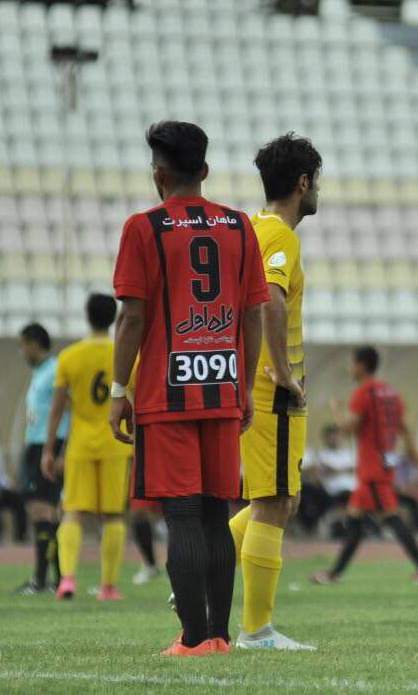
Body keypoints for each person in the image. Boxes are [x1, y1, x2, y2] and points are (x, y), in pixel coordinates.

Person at [110, 121, 269, 656]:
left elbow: (132, 317)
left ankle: (193, 638)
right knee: (216, 514)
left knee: (181, 515)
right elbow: (253, 315)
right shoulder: (239, 225)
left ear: (158, 173)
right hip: (223, 384)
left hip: (167, 391)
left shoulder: (143, 228)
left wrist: (118, 389)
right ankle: (219, 636)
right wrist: (244, 388)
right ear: (203, 170)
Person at [227, 133, 322, 651]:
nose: (318, 191)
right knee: (274, 499)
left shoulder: (249, 228)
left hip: (250, 382)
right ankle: (256, 631)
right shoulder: (281, 236)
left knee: (283, 497)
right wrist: (284, 373)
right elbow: (271, 298)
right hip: (272, 389)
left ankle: (202, 569)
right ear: (303, 183)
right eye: (316, 182)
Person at [311, 346, 418, 584]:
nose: (350, 369)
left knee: (392, 518)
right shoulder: (392, 394)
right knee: (355, 522)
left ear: (361, 365)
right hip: (384, 465)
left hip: (371, 470)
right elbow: (407, 432)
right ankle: (334, 574)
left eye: (352, 364)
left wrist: (336, 410)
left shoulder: (363, 392)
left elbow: (347, 428)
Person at [42, 293, 130, 601]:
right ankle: (108, 586)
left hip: (80, 445)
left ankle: (67, 579)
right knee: (113, 516)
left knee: (72, 512)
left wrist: (49, 450)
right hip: (116, 443)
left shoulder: (69, 357)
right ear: (113, 317)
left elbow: (56, 410)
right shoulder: (125, 352)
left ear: (87, 316)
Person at [15, 323, 68, 594]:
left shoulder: (56, 370)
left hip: (49, 446)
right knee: (43, 511)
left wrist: (62, 450)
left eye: (23, 345)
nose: (22, 351)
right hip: (37, 446)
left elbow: (70, 409)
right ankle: (55, 578)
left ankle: (44, 579)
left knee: (43, 510)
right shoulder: (41, 372)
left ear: (34, 343)